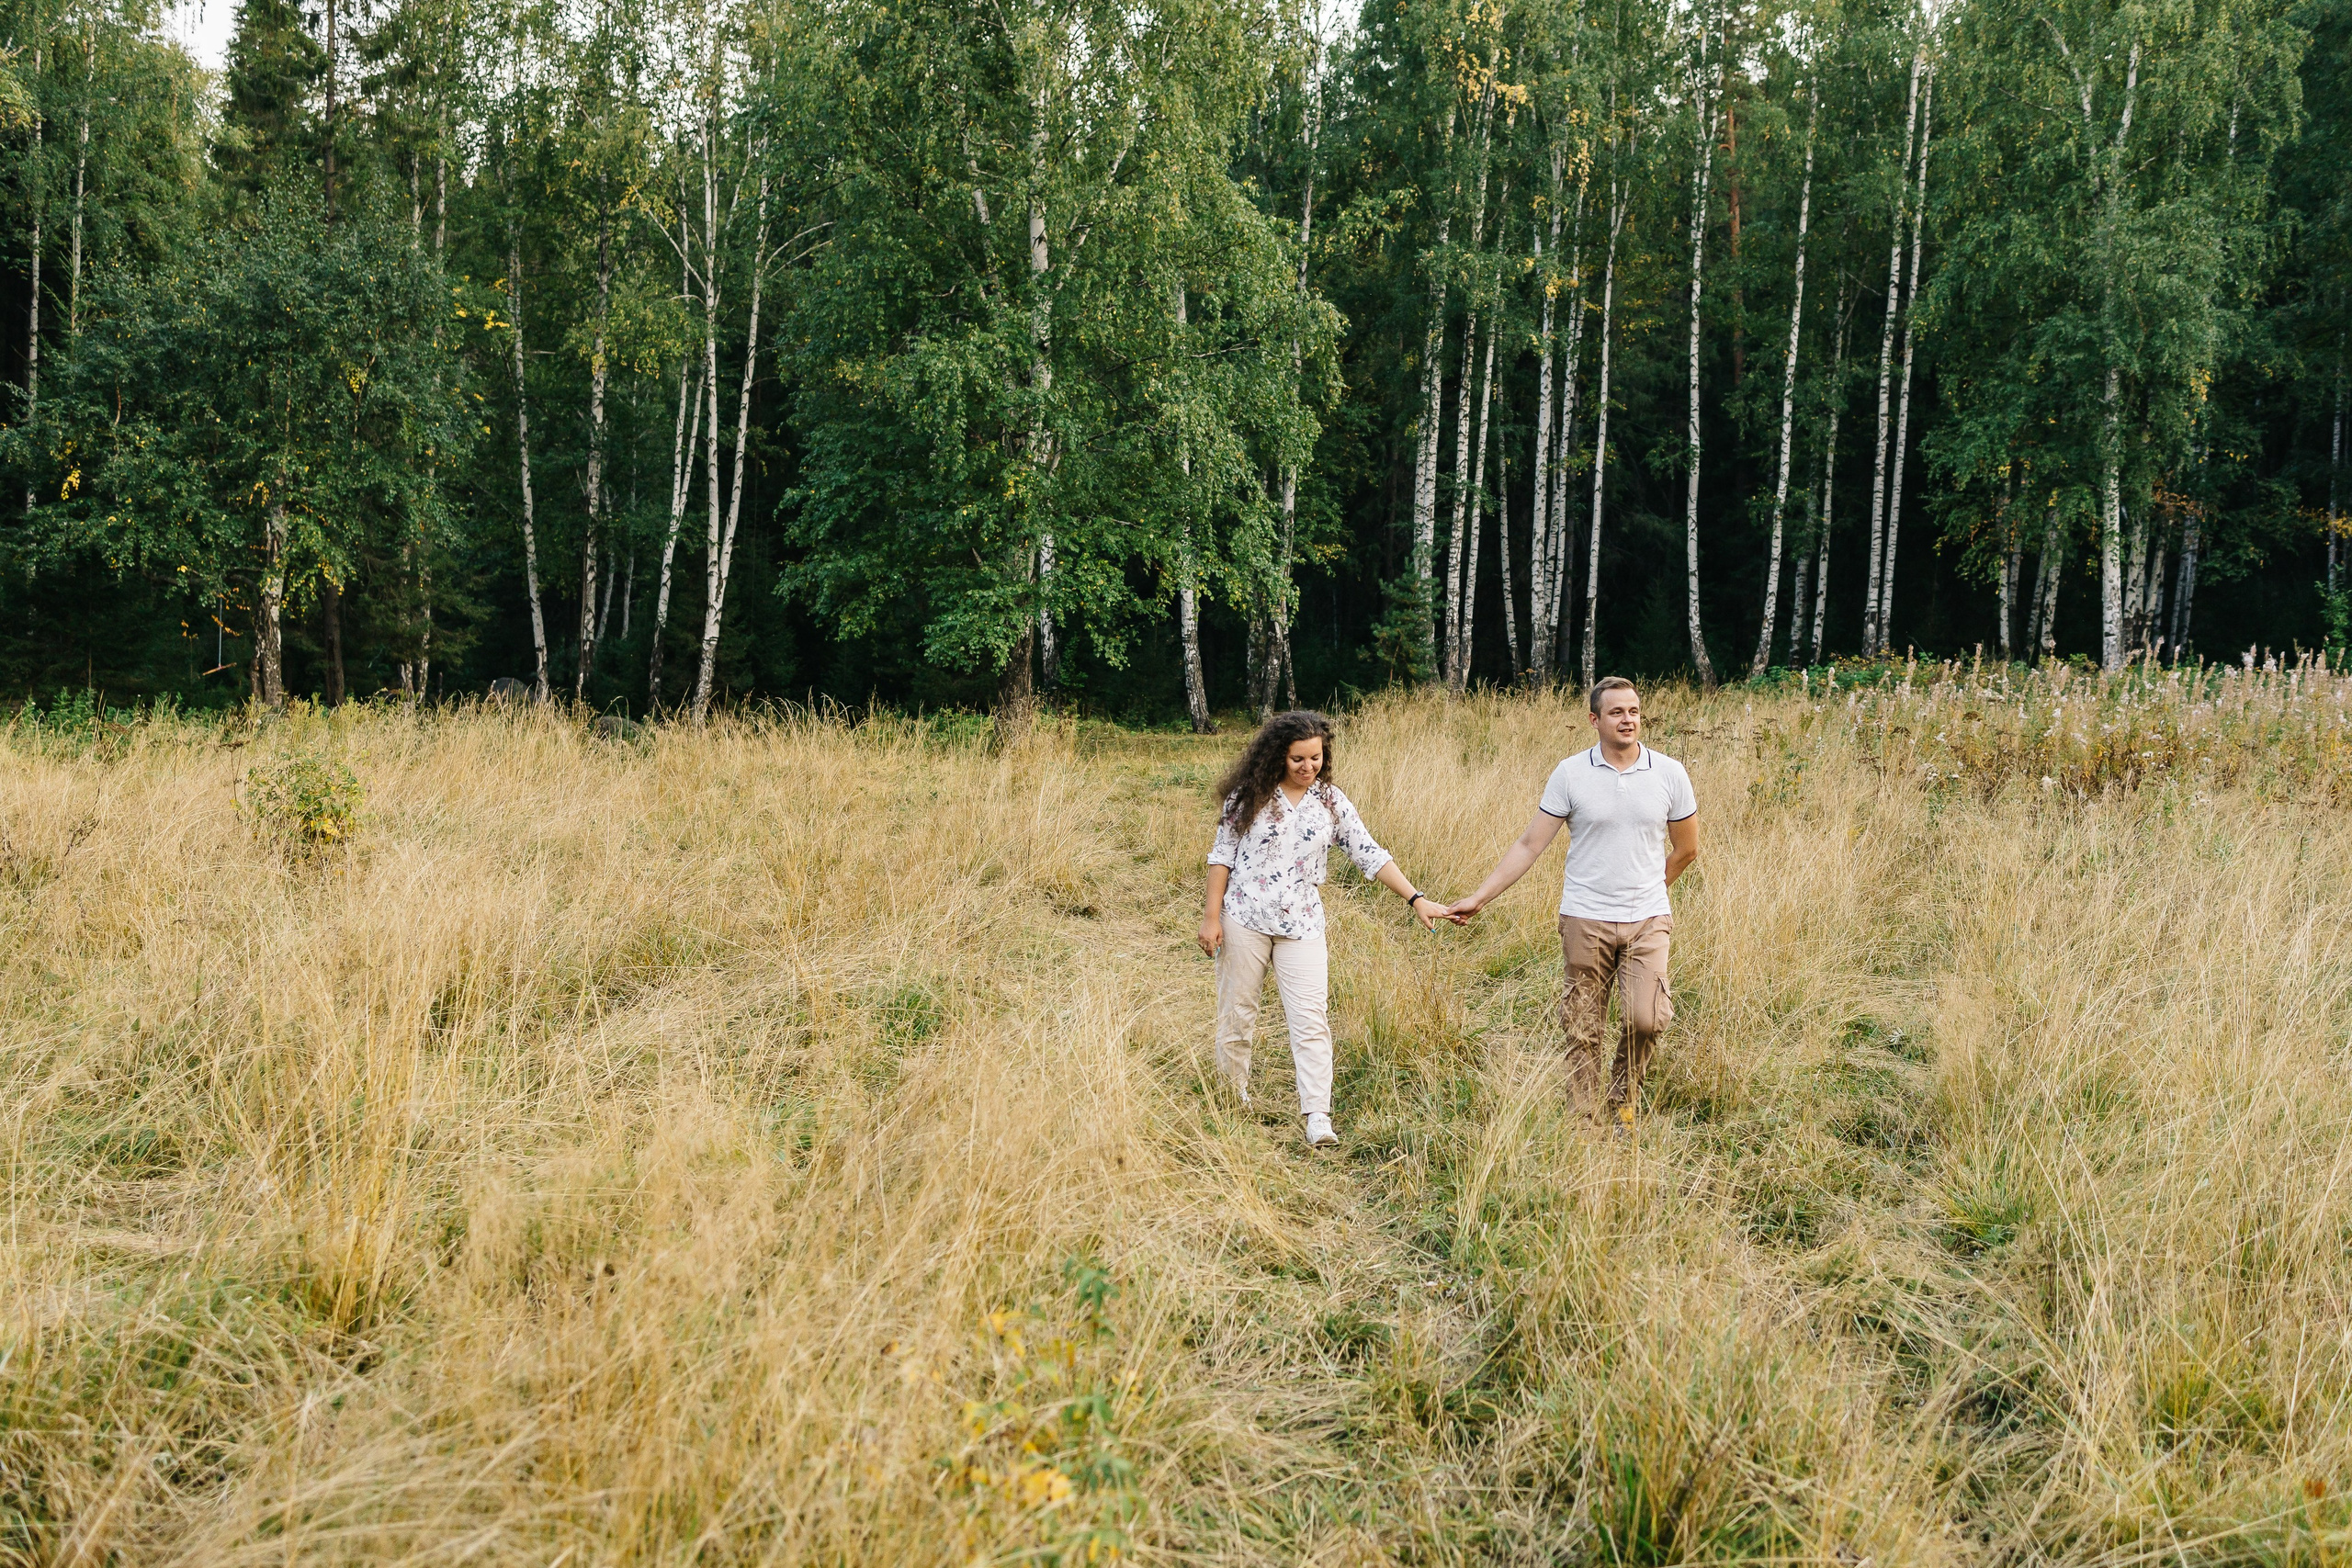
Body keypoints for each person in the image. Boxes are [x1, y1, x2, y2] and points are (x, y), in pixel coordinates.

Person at [1446, 677, 1699, 1135]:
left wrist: (1647, 890)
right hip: (1585, 916)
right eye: (1617, 712)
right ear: (1595, 719)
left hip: (1648, 919)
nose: (1628, 720)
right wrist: (1480, 897)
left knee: (1647, 1019)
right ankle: (1583, 1122)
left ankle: (1623, 1106)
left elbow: (1686, 850)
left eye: (1634, 711)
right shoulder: (1570, 773)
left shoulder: (1669, 773)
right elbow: (1529, 845)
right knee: (1583, 1026)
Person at [1200, 710, 1448, 1147]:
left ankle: (1318, 1115)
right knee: (1238, 1012)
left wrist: (1416, 899)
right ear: (1277, 756)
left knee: (1310, 1019)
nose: (1307, 767)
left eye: (1315, 758)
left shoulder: (1332, 801)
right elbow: (1221, 857)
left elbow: (1368, 853)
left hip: (1303, 924)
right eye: (1298, 758)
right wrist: (1211, 917)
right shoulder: (1249, 796)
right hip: (1245, 919)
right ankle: (1232, 1093)